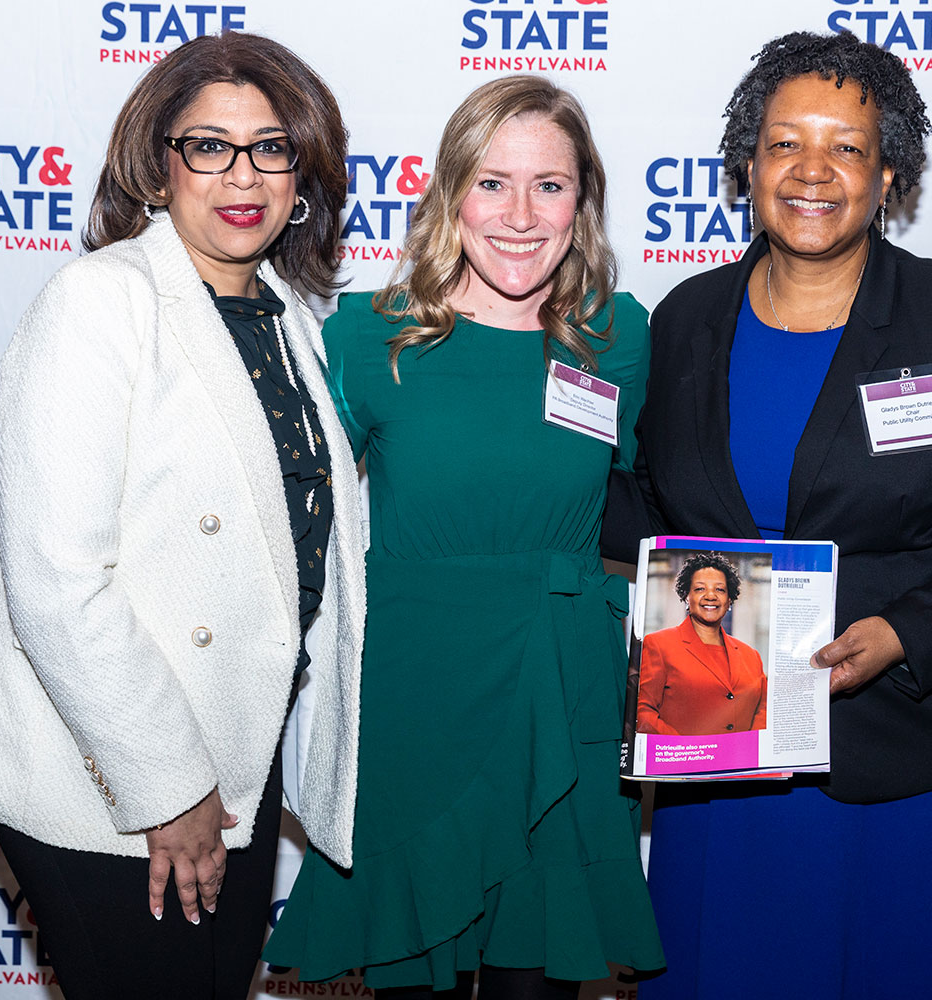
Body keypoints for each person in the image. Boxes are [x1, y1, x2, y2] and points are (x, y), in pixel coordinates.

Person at [620, 31, 932, 999]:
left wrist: (906, 632)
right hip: (729, 769)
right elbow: (645, 505)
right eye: (785, 142)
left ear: (889, 174)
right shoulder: (683, 319)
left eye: (846, 146)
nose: (813, 171)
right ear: (747, 164)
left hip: (925, 762)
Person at [0, 33, 365, 1000]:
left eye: (272, 146)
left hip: (238, 754)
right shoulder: (99, 303)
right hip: (112, 766)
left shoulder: (290, 315)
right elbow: (57, 579)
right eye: (209, 145)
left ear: (304, 171)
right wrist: (170, 790)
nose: (241, 175)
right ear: (157, 166)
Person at [263, 75, 664, 999]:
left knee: (540, 979)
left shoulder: (618, 337)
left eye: (550, 185)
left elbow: (658, 500)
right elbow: (286, 511)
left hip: (562, 696)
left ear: (583, 199)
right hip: (416, 702)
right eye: (492, 183)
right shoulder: (368, 336)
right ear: (449, 194)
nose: (520, 215)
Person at [636, 552, 766, 736]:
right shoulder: (659, 644)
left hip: (742, 760)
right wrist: (690, 750)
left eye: (720, 589)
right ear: (686, 597)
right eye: (699, 589)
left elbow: (763, 710)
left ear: (729, 600)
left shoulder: (751, 656)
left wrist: (749, 748)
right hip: (685, 759)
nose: (710, 596)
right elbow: (643, 712)